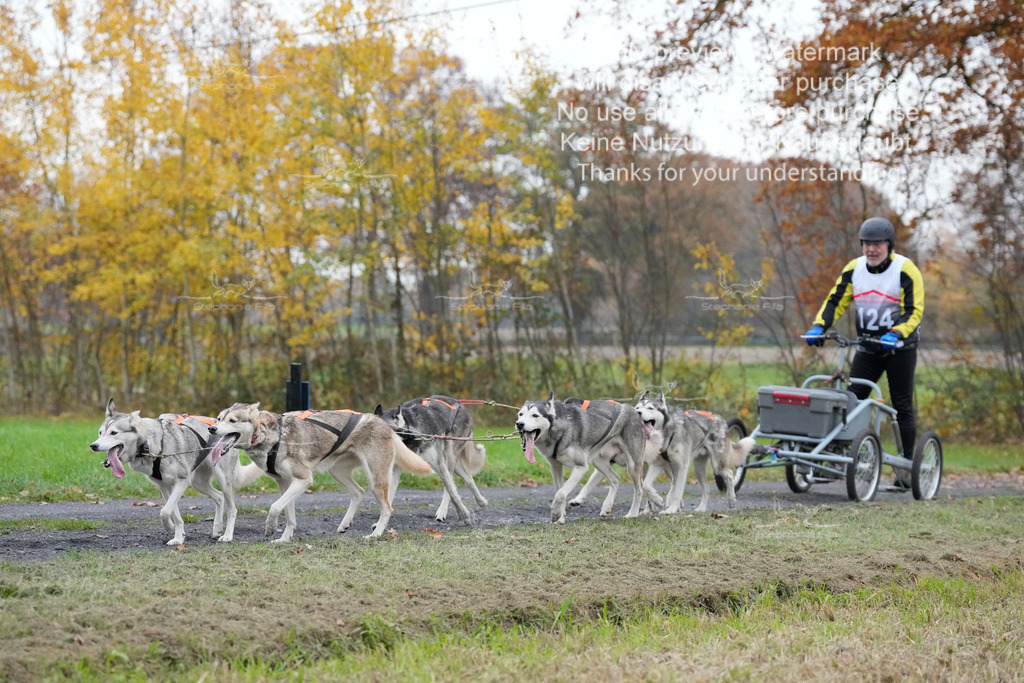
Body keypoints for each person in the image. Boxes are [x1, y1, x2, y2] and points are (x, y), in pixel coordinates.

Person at [804, 217, 925, 487]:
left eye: (877, 244)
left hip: (900, 348)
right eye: (866, 244)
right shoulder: (854, 269)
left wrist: (896, 333)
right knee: (850, 402)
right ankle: (836, 460)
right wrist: (819, 326)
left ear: (889, 245)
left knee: (901, 406)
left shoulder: (905, 270)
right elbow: (836, 299)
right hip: (868, 348)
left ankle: (905, 470)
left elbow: (913, 311)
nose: (871, 249)